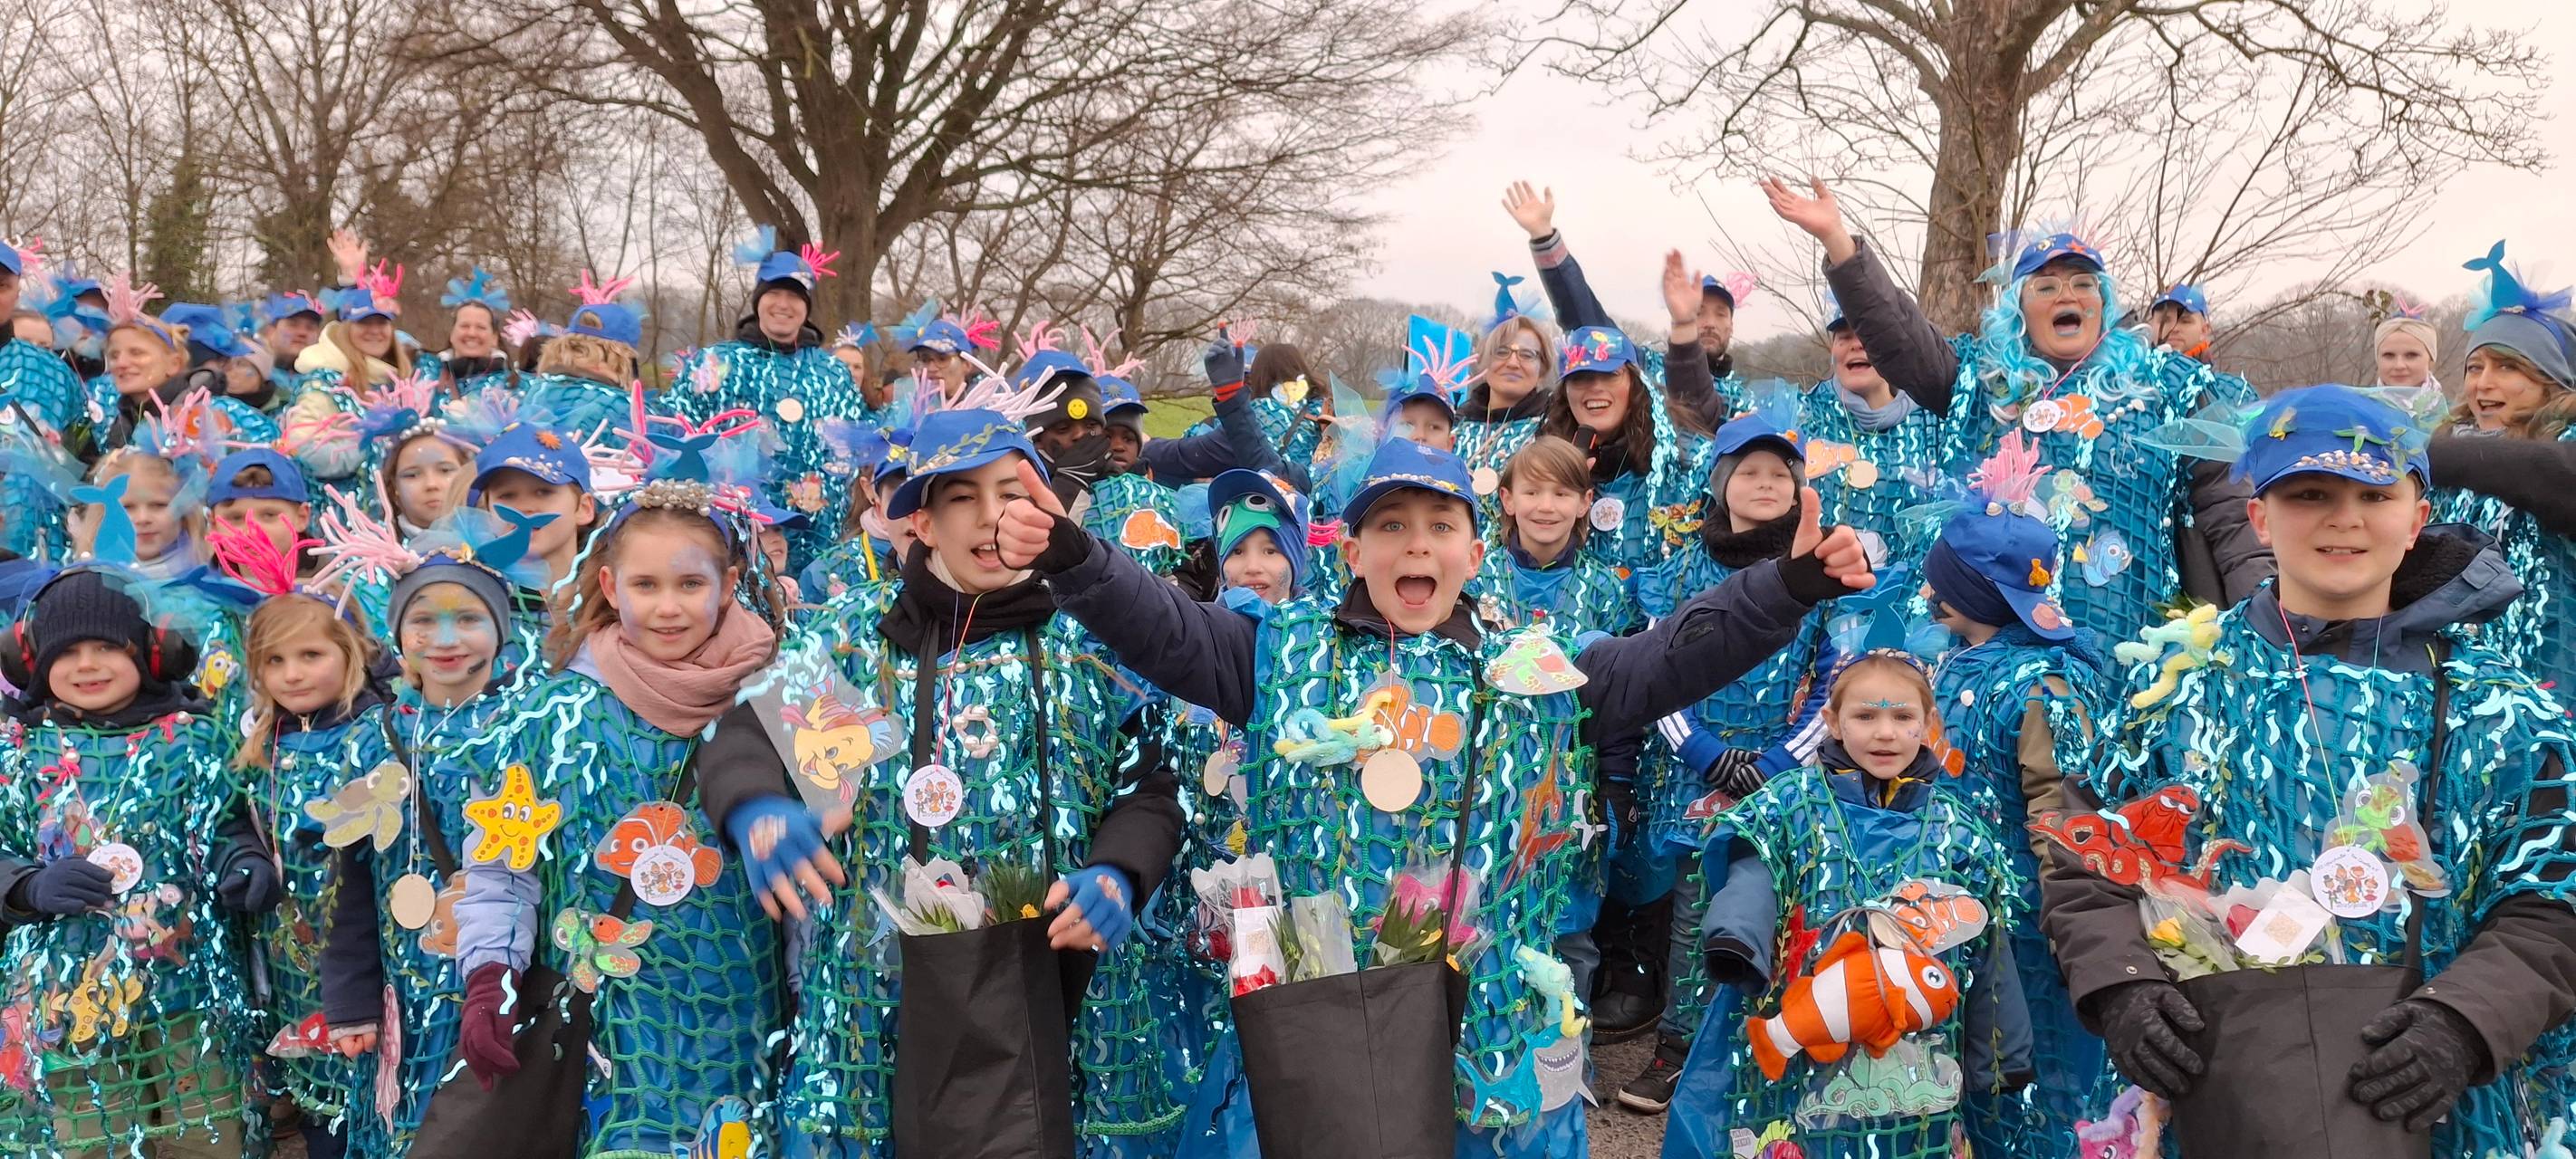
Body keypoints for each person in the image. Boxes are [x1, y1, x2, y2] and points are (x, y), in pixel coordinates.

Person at [998, 435, 1875, 1154]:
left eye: (1439, 523)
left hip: (1488, 1035)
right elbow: (1160, 624)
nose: (1416, 543)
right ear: (1350, 547)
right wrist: (1074, 555)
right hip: (1323, 1024)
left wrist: (1785, 586)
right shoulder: (1274, 650)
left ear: (1473, 546)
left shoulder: (1534, 662)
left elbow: (1670, 656)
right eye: (1390, 523)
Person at [2040, 385, 2576, 1155]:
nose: (2345, 518)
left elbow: (2552, 902)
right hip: (2219, 1094)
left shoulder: (2503, 711)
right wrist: (2121, 982)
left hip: (2443, 1110)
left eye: (2375, 494)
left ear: (2417, 517)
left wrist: (2465, 1021)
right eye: (2311, 493)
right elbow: (2088, 860)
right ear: (2259, 516)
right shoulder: (2179, 687)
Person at [690, 407, 1184, 1156]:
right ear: (920, 522)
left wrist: (1119, 872)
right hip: (878, 999)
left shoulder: (1089, 633)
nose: (994, 518)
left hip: (1063, 986)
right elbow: (744, 739)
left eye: (1013, 492)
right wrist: (758, 806)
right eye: (963, 497)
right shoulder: (860, 640)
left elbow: (1150, 782)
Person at [443, 433, 791, 1157]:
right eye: (646, 586)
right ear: (608, 587)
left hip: (744, 1021)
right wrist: (488, 978)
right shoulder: (549, 717)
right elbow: (502, 870)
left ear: (729, 585)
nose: (669, 608)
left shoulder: (791, 695)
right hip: (604, 1035)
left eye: (691, 585)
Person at [1769, 176, 2273, 646]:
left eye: (2082, 283)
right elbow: (1899, 337)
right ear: (2019, 308)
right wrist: (1838, 240)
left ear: (2104, 302)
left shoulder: (2168, 388)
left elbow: (2231, 516)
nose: (2066, 295)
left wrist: (2269, 621)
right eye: (2046, 286)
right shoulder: (1979, 381)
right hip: (1991, 650)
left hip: (2128, 649)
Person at [1660, 653, 2028, 1157]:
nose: (1885, 733)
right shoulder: (1791, 803)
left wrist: (2002, 1054)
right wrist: (1736, 937)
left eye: (1902, 718)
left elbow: (1988, 952)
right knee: (1800, 1131)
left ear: (1927, 725)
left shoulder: (1957, 829)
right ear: (1832, 722)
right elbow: (1754, 872)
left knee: (1901, 1134)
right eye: (1865, 716)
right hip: (1803, 1013)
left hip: (1914, 1040)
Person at [0, 568, 274, 1156]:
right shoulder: (15, 751)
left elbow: (223, 824)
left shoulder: (195, 738)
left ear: (153, 652)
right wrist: (26, 885)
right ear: (31, 660)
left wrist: (242, 861)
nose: (87, 664)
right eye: (67, 651)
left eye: (107, 647)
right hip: (66, 999)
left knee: (206, 1136)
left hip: (188, 993)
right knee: (90, 1141)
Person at [1618, 416, 1839, 1113]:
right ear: (1720, 485)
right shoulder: (1680, 571)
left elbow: (1837, 682)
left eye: (1780, 473)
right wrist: (1705, 753)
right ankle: (1678, 1049)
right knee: (1692, 917)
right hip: (1693, 774)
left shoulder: (1821, 569)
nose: (1766, 484)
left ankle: (1764, 1047)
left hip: (1786, 779)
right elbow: (1649, 671)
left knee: (1779, 908)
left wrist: (1777, 762)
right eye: (1749, 471)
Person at [312, 521, 529, 1159]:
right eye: (423, 621)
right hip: (408, 997)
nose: (444, 640)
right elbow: (347, 887)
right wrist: (350, 1000)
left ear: (501, 629)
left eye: (467, 619)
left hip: (506, 987)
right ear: (398, 634)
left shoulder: (538, 728)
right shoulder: (369, 740)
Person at [1918, 501, 2115, 1155]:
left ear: (1976, 593)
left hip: (2027, 927)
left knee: (2033, 1079)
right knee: (1970, 1075)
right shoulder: (1954, 663)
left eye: (1941, 583)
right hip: (1954, 910)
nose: (1926, 594)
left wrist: (2068, 928)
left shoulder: (2044, 686)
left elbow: (2060, 816)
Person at [227, 584, 389, 1159]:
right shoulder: (265, 741)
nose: (292, 674)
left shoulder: (376, 734)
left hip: (363, 956)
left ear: (351, 652)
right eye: (275, 660)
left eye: (311, 655)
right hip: (291, 962)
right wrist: (246, 859)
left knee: (368, 1093)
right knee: (318, 1095)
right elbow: (239, 820)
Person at [2425, 242, 2576, 683]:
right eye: (2474, 367)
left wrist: (2433, 452)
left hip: (2555, 684)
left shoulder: (2564, 450)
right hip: (2459, 680)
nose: (2483, 384)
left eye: (2508, 367)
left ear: (2552, 383)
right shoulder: (2452, 450)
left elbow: (2547, 473)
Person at [671, 244, 861, 571]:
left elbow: (858, 441)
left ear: (807, 307)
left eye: (796, 295)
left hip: (818, 538)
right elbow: (678, 432)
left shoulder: (833, 372)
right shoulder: (716, 362)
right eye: (774, 292)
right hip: (733, 530)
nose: (784, 304)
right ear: (758, 299)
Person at [428, 267, 516, 395]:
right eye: (464, 326)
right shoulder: (427, 383)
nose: (472, 333)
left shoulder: (516, 388)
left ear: (494, 338)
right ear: (452, 334)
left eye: (481, 327)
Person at [2377, 310, 2441, 391]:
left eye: (2411, 355)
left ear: (2431, 360)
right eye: (2389, 355)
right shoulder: (2358, 402)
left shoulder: (2448, 404)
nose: (2399, 366)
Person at [2148, 284, 2215, 363]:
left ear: (2204, 330)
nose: (2174, 329)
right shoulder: (2134, 371)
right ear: (2151, 327)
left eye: (2185, 321)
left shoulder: (2211, 375)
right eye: (2165, 321)